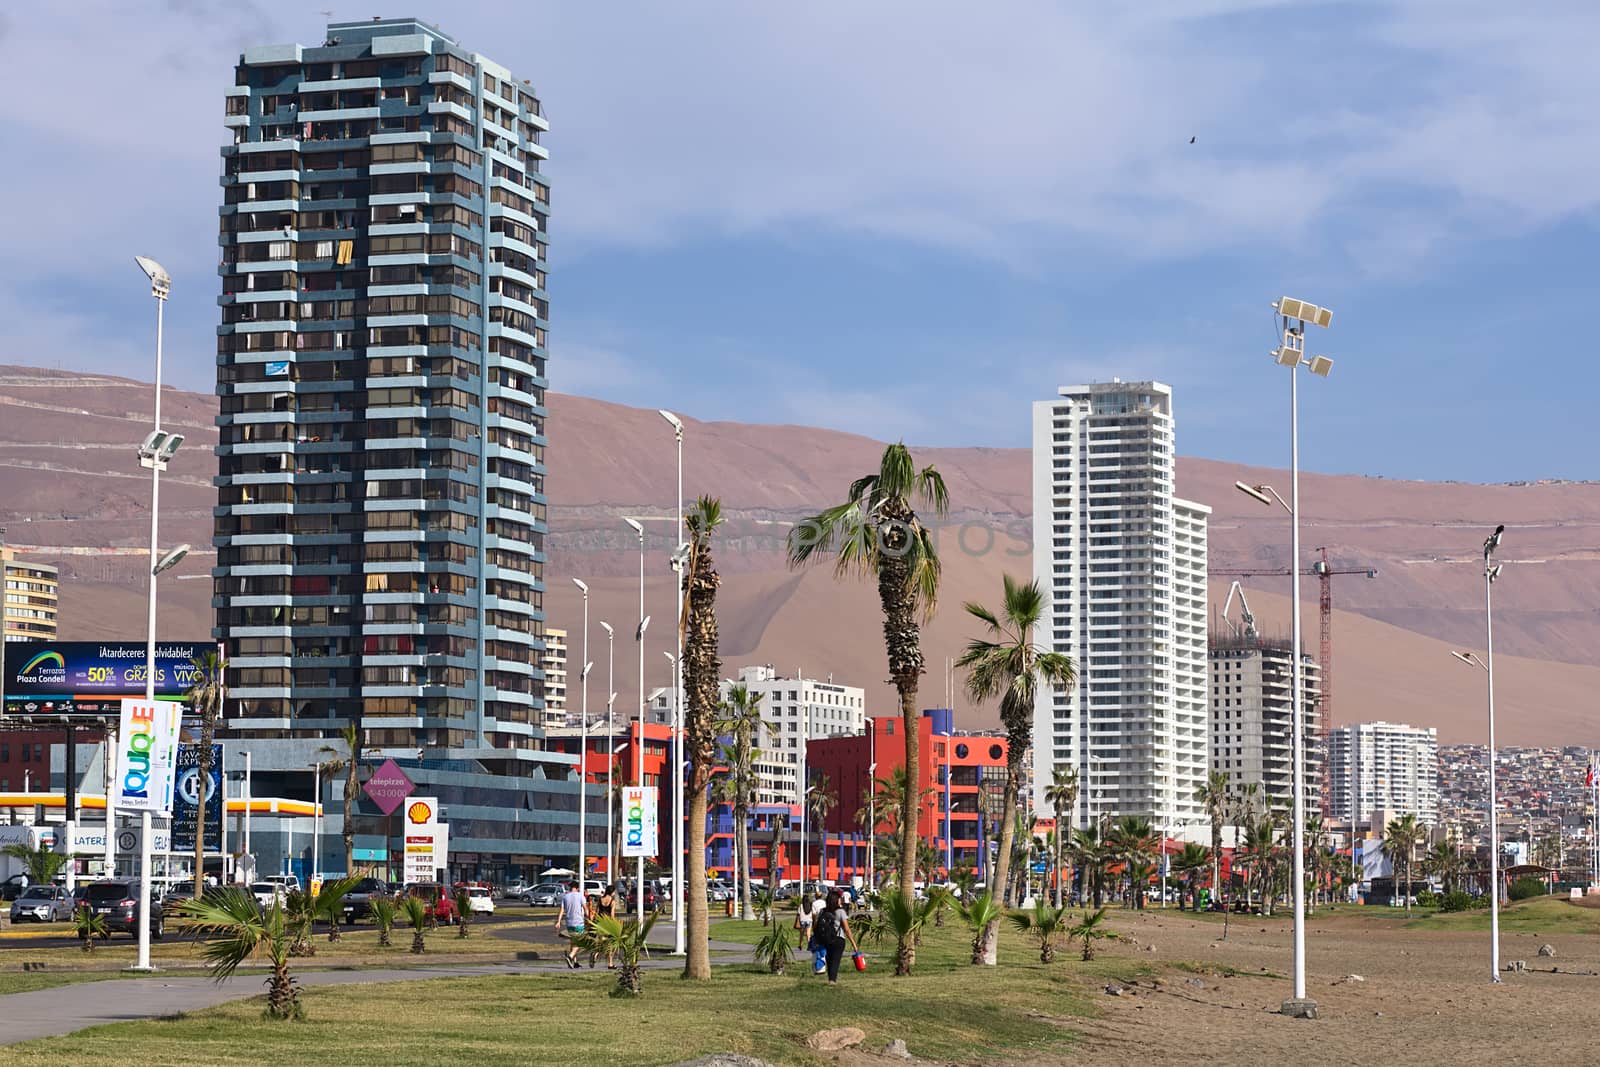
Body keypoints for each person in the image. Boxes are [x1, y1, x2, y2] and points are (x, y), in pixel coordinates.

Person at [814, 888, 860, 985]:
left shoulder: (823, 911)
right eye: (839, 898)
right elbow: (847, 929)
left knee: (829, 959)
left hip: (825, 939)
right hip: (838, 939)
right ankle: (832, 980)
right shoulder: (840, 912)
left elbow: (816, 924)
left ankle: (831, 978)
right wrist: (854, 944)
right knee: (836, 959)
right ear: (836, 900)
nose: (841, 900)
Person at [555, 880, 586, 969]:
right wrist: (589, 918)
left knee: (573, 942)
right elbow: (585, 908)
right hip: (578, 922)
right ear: (577, 888)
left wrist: (558, 921)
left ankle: (574, 962)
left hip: (569, 923)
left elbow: (561, 910)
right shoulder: (581, 896)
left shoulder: (565, 897)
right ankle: (570, 956)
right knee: (580, 942)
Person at [592, 883, 619, 969]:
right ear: (612, 892)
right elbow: (612, 915)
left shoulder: (600, 900)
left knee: (600, 942)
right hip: (607, 925)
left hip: (599, 924)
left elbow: (596, 912)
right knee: (610, 945)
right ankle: (610, 964)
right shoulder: (612, 901)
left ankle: (595, 954)